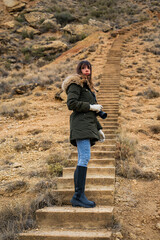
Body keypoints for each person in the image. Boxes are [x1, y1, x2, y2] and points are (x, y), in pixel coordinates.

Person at [62, 60, 105, 208]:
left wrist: (99, 128)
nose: (86, 70)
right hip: (80, 126)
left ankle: (78, 196)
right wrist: (92, 106)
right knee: (85, 157)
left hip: (86, 125)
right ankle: (78, 196)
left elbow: (91, 113)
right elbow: (71, 104)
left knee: (83, 158)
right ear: (79, 70)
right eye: (83, 68)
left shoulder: (87, 88)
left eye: (88, 68)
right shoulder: (76, 84)